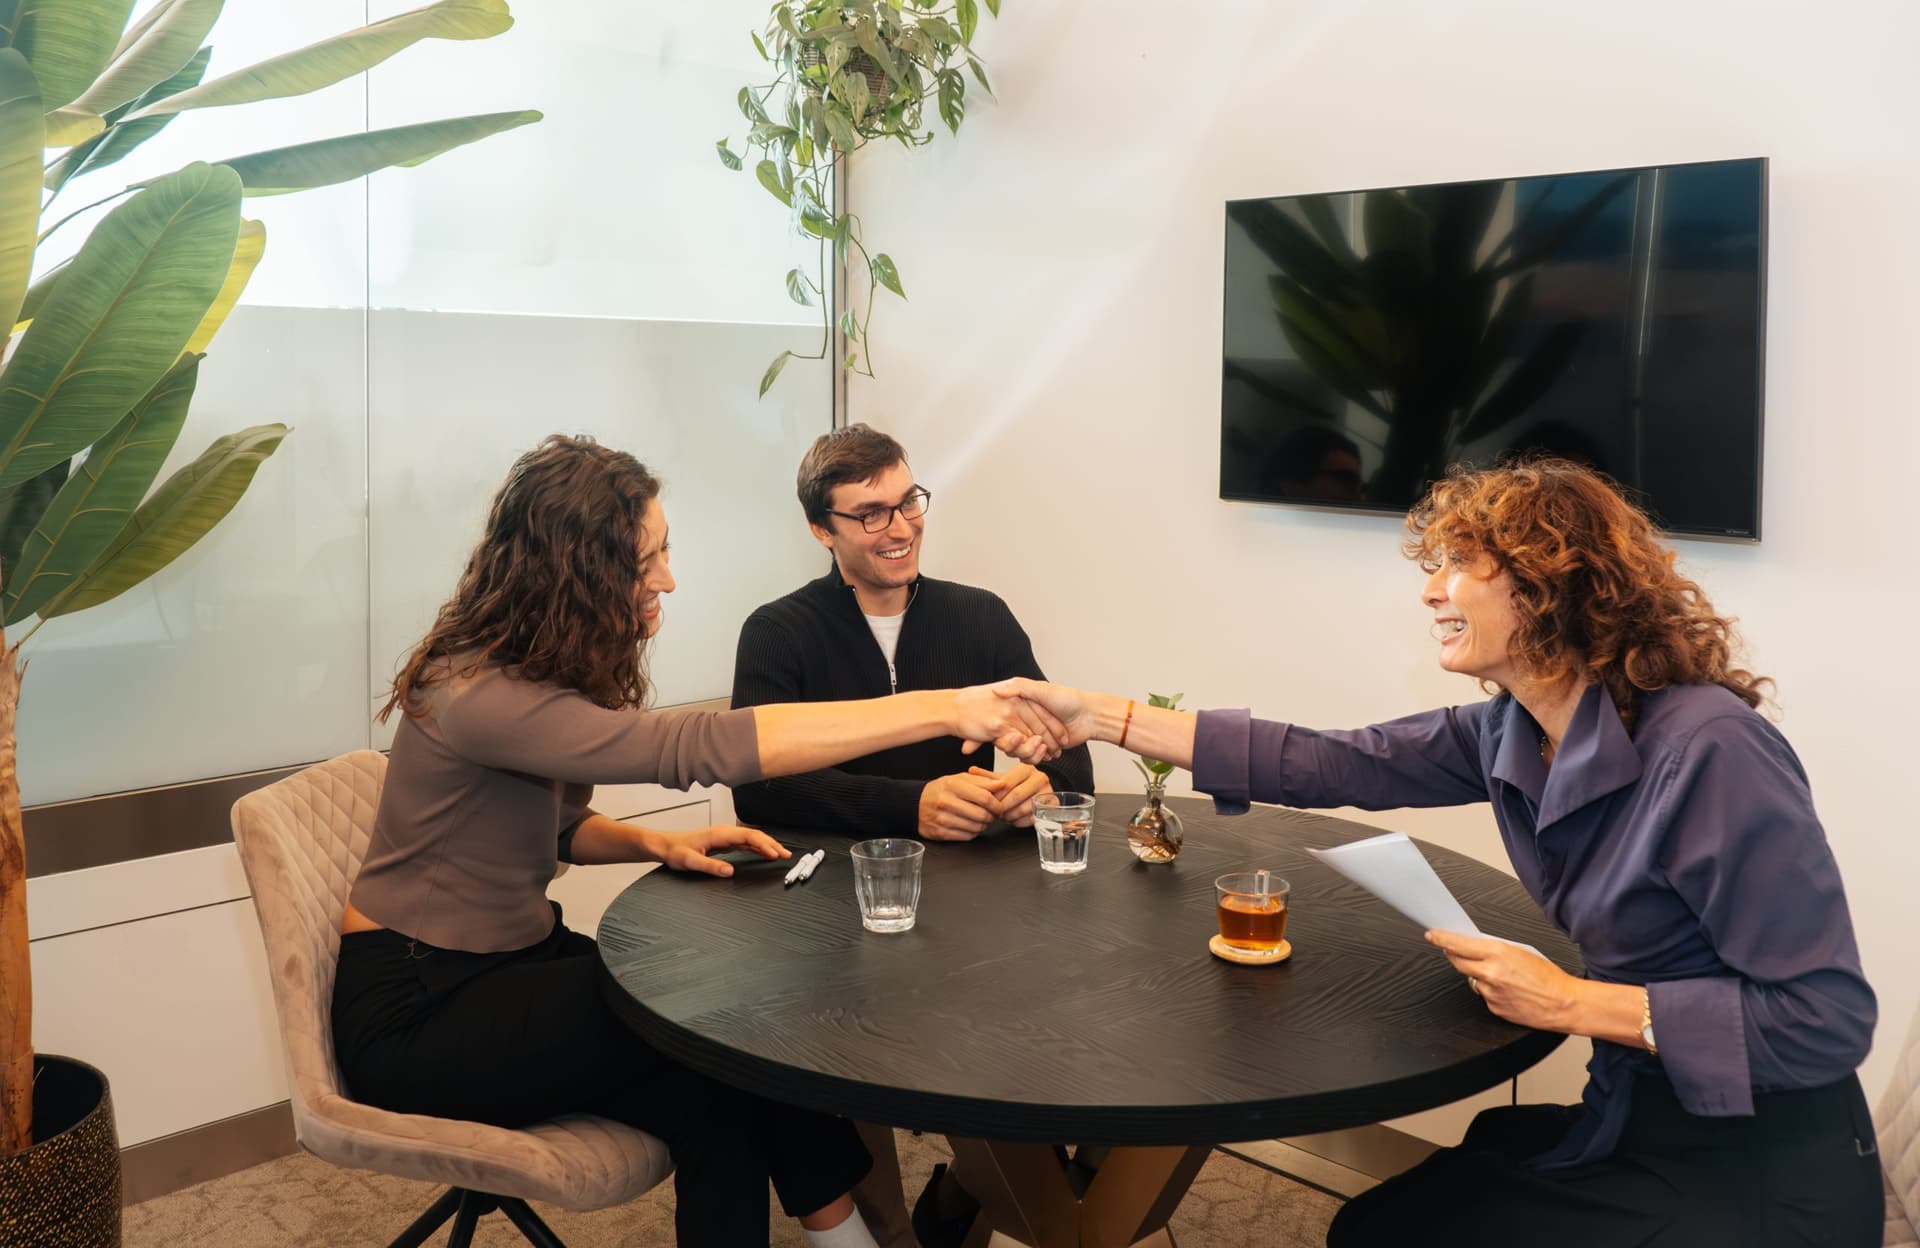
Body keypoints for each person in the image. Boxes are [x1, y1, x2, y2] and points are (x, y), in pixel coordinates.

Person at [1002, 457, 1881, 1247]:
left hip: (1758, 1167)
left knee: (1387, 1230)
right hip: (1635, 1112)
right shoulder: (1513, 725)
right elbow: (1324, 757)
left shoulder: (1711, 751)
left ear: (1548, 587)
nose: (1432, 592)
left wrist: (1577, 1001)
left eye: (1461, 567)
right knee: (1441, 1182)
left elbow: (1824, 1019)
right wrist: (1104, 717)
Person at [331, 435, 1060, 1248]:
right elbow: (699, 747)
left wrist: (656, 847)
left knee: (721, 1088)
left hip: (513, 964)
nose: (668, 578)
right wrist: (946, 707)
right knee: (728, 1025)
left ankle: (851, 1237)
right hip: (421, 1004)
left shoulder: (533, 668)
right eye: (648, 559)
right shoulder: (478, 691)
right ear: (579, 569)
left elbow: (556, 825)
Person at [729, 423, 1095, 1246]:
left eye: (908, 503)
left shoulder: (980, 617)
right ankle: (892, 1232)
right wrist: (911, 806)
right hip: (829, 915)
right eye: (870, 514)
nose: (899, 528)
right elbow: (758, 791)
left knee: (1026, 1051)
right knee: (848, 1073)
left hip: (980, 912)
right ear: (822, 529)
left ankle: (976, 1194)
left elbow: (1070, 770)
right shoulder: (778, 632)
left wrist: (1038, 783)